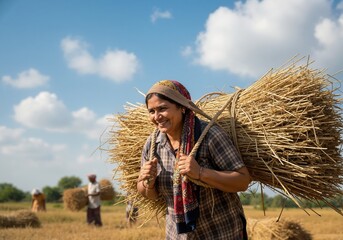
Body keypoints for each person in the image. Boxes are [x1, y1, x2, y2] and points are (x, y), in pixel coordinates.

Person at [137, 80, 251, 239]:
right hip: (179, 235)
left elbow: (242, 181)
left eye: (162, 108)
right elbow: (150, 195)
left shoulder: (209, 135)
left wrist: (200, 173)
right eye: (151, 111)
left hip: (220, 231)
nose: (157, 117)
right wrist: (146, 182)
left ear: (182, 107)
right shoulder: (152, 145)